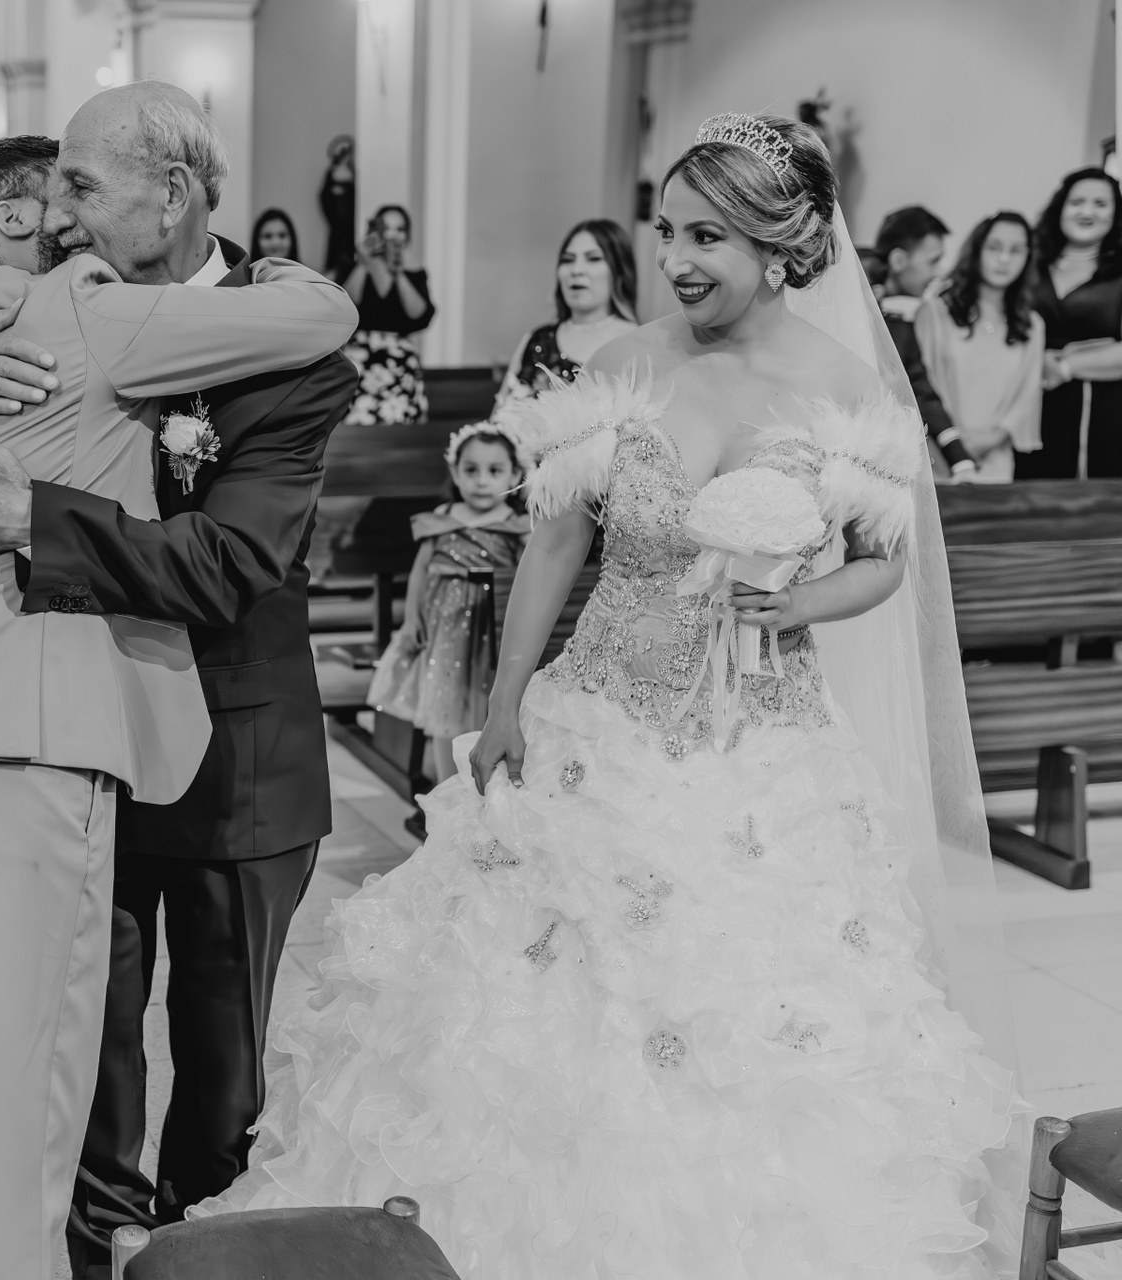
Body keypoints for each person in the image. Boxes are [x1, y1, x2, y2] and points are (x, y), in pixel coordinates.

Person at [197, 113, 1020, 1278]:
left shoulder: (846, 388)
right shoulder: (625, 362)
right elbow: (553, 545)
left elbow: (885, 561)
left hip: (762, 752)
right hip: (597, 721)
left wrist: (798, 602)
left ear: (783, 245)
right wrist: (505, 704)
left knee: (754, 1010)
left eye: (708, 237)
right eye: (667, 230)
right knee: (532, 988)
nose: (675, 258)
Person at [0, 84, 360, 1280]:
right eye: (47, 192)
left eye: (79, 185)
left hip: (223, 751)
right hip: (50, 745)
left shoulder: (258, 340)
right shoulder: (39, 309)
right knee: (54, 1110)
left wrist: (35, 518)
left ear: (171, 193)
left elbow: (235, 559)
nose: (60, 215)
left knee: (206, 1091)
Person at [367, 423, 528, 781]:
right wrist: (411, 619)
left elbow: (528, 581)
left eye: (494, 471)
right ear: (455, 472)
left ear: (515, 474)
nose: (481, 481)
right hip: (445, 631)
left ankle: (487, 782)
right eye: (471, 470)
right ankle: (446, 787)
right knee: (444, 709)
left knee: (484, 707)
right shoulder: (442, 517)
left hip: (490, 633)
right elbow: (421, 570)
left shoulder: (517, 525)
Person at [917, 212, 1044, 482]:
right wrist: (955, 443)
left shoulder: (1031, 325)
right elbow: (922, 385)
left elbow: (1028, 395)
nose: (1004, 259)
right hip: (937, 453)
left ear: (1028, 257)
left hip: (996, 458)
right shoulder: (936, 311)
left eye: (1016, 250)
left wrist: (991, 439)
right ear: (977, 250)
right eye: (994, 247)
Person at [1021, 167, 1122, 479]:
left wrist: (1064, 367)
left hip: (1100, 410)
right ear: (1060, 208)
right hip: (1025, 403)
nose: (1087, 212)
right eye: (1077, 202)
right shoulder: (1028, 263)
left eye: (1100, 204)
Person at [876, 206, 977, 480]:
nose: (939, 272)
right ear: (898, 260)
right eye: (933, 261)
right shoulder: (865, 310)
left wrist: (961, 462)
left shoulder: (904, 315)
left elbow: (920, 388)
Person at [495, 218, 638, 409]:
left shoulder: (636, 342)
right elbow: (499, 418)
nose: (576, 270)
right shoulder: (537, 340)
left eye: (594, 258)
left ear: (619, 271)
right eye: (568, 260)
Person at [342, 204, 435, 426]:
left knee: (402, 424)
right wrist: (364, 261)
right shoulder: (355, 267)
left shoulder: (414, 274)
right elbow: (345, 305)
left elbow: (419, 315)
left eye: (400, 229)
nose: (393, 235)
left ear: (407, 236)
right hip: (359, 359)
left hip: (400, 361)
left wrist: (398, 271)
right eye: (387, 228)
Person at [320, 136, 356, 282]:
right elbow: (323, 196)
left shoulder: (354, 171)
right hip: (336, 223)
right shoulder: (331, 172)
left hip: (350, 222)